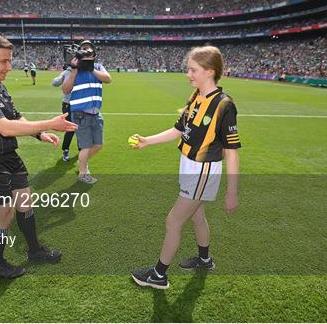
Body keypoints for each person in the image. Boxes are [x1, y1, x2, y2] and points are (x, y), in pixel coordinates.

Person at [0, 33, 78, 279]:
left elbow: (14, 116)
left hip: (8, 155)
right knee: (4, 213)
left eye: (10, 61)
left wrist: (39, 133)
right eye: (4, 61)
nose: (9, 67)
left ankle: (34, 251)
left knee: (25, 202)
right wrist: (50, 123)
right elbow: (3, 127)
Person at [130, 46, 240, 289]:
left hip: (202, 170)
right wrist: (148, 140)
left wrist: (232, 192)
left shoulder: (224, 105)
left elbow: (231, 151)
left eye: (193, 70)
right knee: (196, 216)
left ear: (210, 72)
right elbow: (179, 130)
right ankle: (205, 259)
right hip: (189, 166)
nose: (188, 74)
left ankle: (159, 275)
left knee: (173, 221)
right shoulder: (196, 98)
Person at [62, 40, 112, 184]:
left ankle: (81, 163)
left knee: (98, 145)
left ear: (94, 55)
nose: (86, 52)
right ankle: (83, 173)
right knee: (86, 146)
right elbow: (65, 90)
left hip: (96, 113)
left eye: (89, 51)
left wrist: (91, 69)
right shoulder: (73, 69)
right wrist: (73, 72)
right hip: (80, 114)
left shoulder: (98, 67)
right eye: (83, 50)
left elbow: (108, 79)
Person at [52, 66, 76, 162]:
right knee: (71, 128)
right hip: (68, 104)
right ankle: (65, 150)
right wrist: (60, 78)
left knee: (82, 128)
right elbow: (55, 83)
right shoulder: (67, 72)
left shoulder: (82, 71)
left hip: (81, 104)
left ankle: (82, 150)